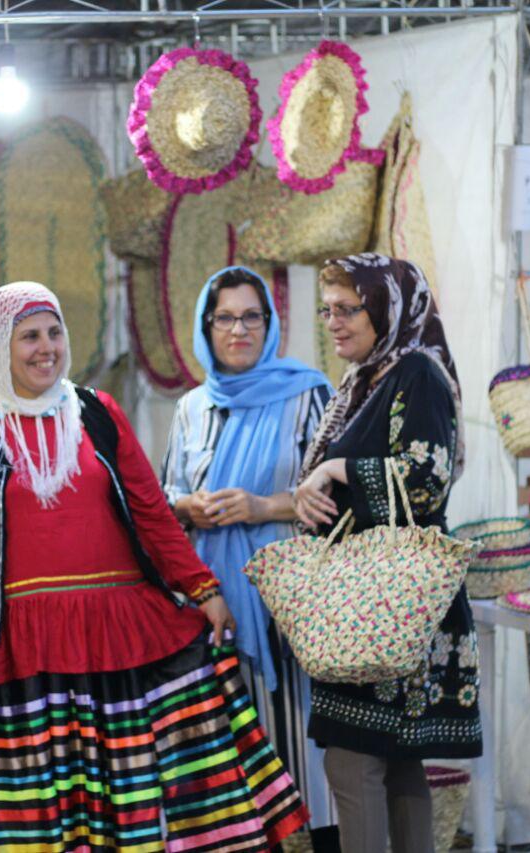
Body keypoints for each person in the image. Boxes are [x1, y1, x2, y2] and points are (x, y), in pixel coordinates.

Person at [0, 281, 308, 851]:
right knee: (34, 814)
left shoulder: (96, 412)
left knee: (126, 802)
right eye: (29, 336)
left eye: (55, 333)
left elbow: (150, 510)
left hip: (117, 637)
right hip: (19, 650)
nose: (46, 348)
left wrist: (202, 588)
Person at [292, 253, 481, 853]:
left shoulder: (416, 374)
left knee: (353, 763)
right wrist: (310, 492)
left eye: (348, 309)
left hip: (391, 602)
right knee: (395, 762)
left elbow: (426, 481)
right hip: (371, 601)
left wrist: (337, 469)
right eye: (327, 310)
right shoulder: (365, 381)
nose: (334, 322)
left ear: (388, 310)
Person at [160, 266, 339, 851]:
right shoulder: (191, 408)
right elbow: (161, 502)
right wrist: (189, 507)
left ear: (270, 323)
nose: (239, 330)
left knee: (302, 749)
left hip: (290, 607)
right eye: (225, 318)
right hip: (213, 606)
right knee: (231, 761)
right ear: (205, 327)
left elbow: (340, 501)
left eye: (251, 317)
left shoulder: (308, 394)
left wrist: (263, 506)